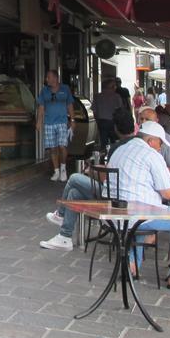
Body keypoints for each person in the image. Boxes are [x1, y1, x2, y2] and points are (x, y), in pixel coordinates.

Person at [109, 120, 170, 291]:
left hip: (115, 213)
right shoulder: (151, 154)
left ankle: (131, 265)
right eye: (159, 143)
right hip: (138, 215)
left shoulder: (120, 149)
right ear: (150, 141)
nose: (160, 148)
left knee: (143, 213)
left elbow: (138, 182)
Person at [39, 107, 137, 251]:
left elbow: (105, 178)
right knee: (74, 193)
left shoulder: (118, 148)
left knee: (74, 178)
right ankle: (65, 237)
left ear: (115, 128)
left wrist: (91, 171)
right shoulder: (138, 144)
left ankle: (60, 214)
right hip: (125, 196)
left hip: (114, 197)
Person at [36, 70, 74, 182]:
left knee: (62, 146)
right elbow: (41, 107)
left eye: (48, 77)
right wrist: (39, 121)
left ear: (55, 78)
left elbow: (70, 104)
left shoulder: (65, 89)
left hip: (62, 122)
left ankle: (63, 168)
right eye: (46, 78)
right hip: (49, 123)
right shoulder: (44, 91)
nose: (46, 79)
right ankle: (56, 171)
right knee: (53, 148)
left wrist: (72, 120)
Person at [92, 78, 122, 154]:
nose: (116, 87)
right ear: (112, 87)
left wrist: (97, 120)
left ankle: (103, 156)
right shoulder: (116, 96)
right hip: (113, 121)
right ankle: (113, 155)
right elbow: (120, 110)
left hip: (102, 121)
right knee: (114, 141)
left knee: (103, 141)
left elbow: (94, 110)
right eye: (114, 86)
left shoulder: (97, 96)